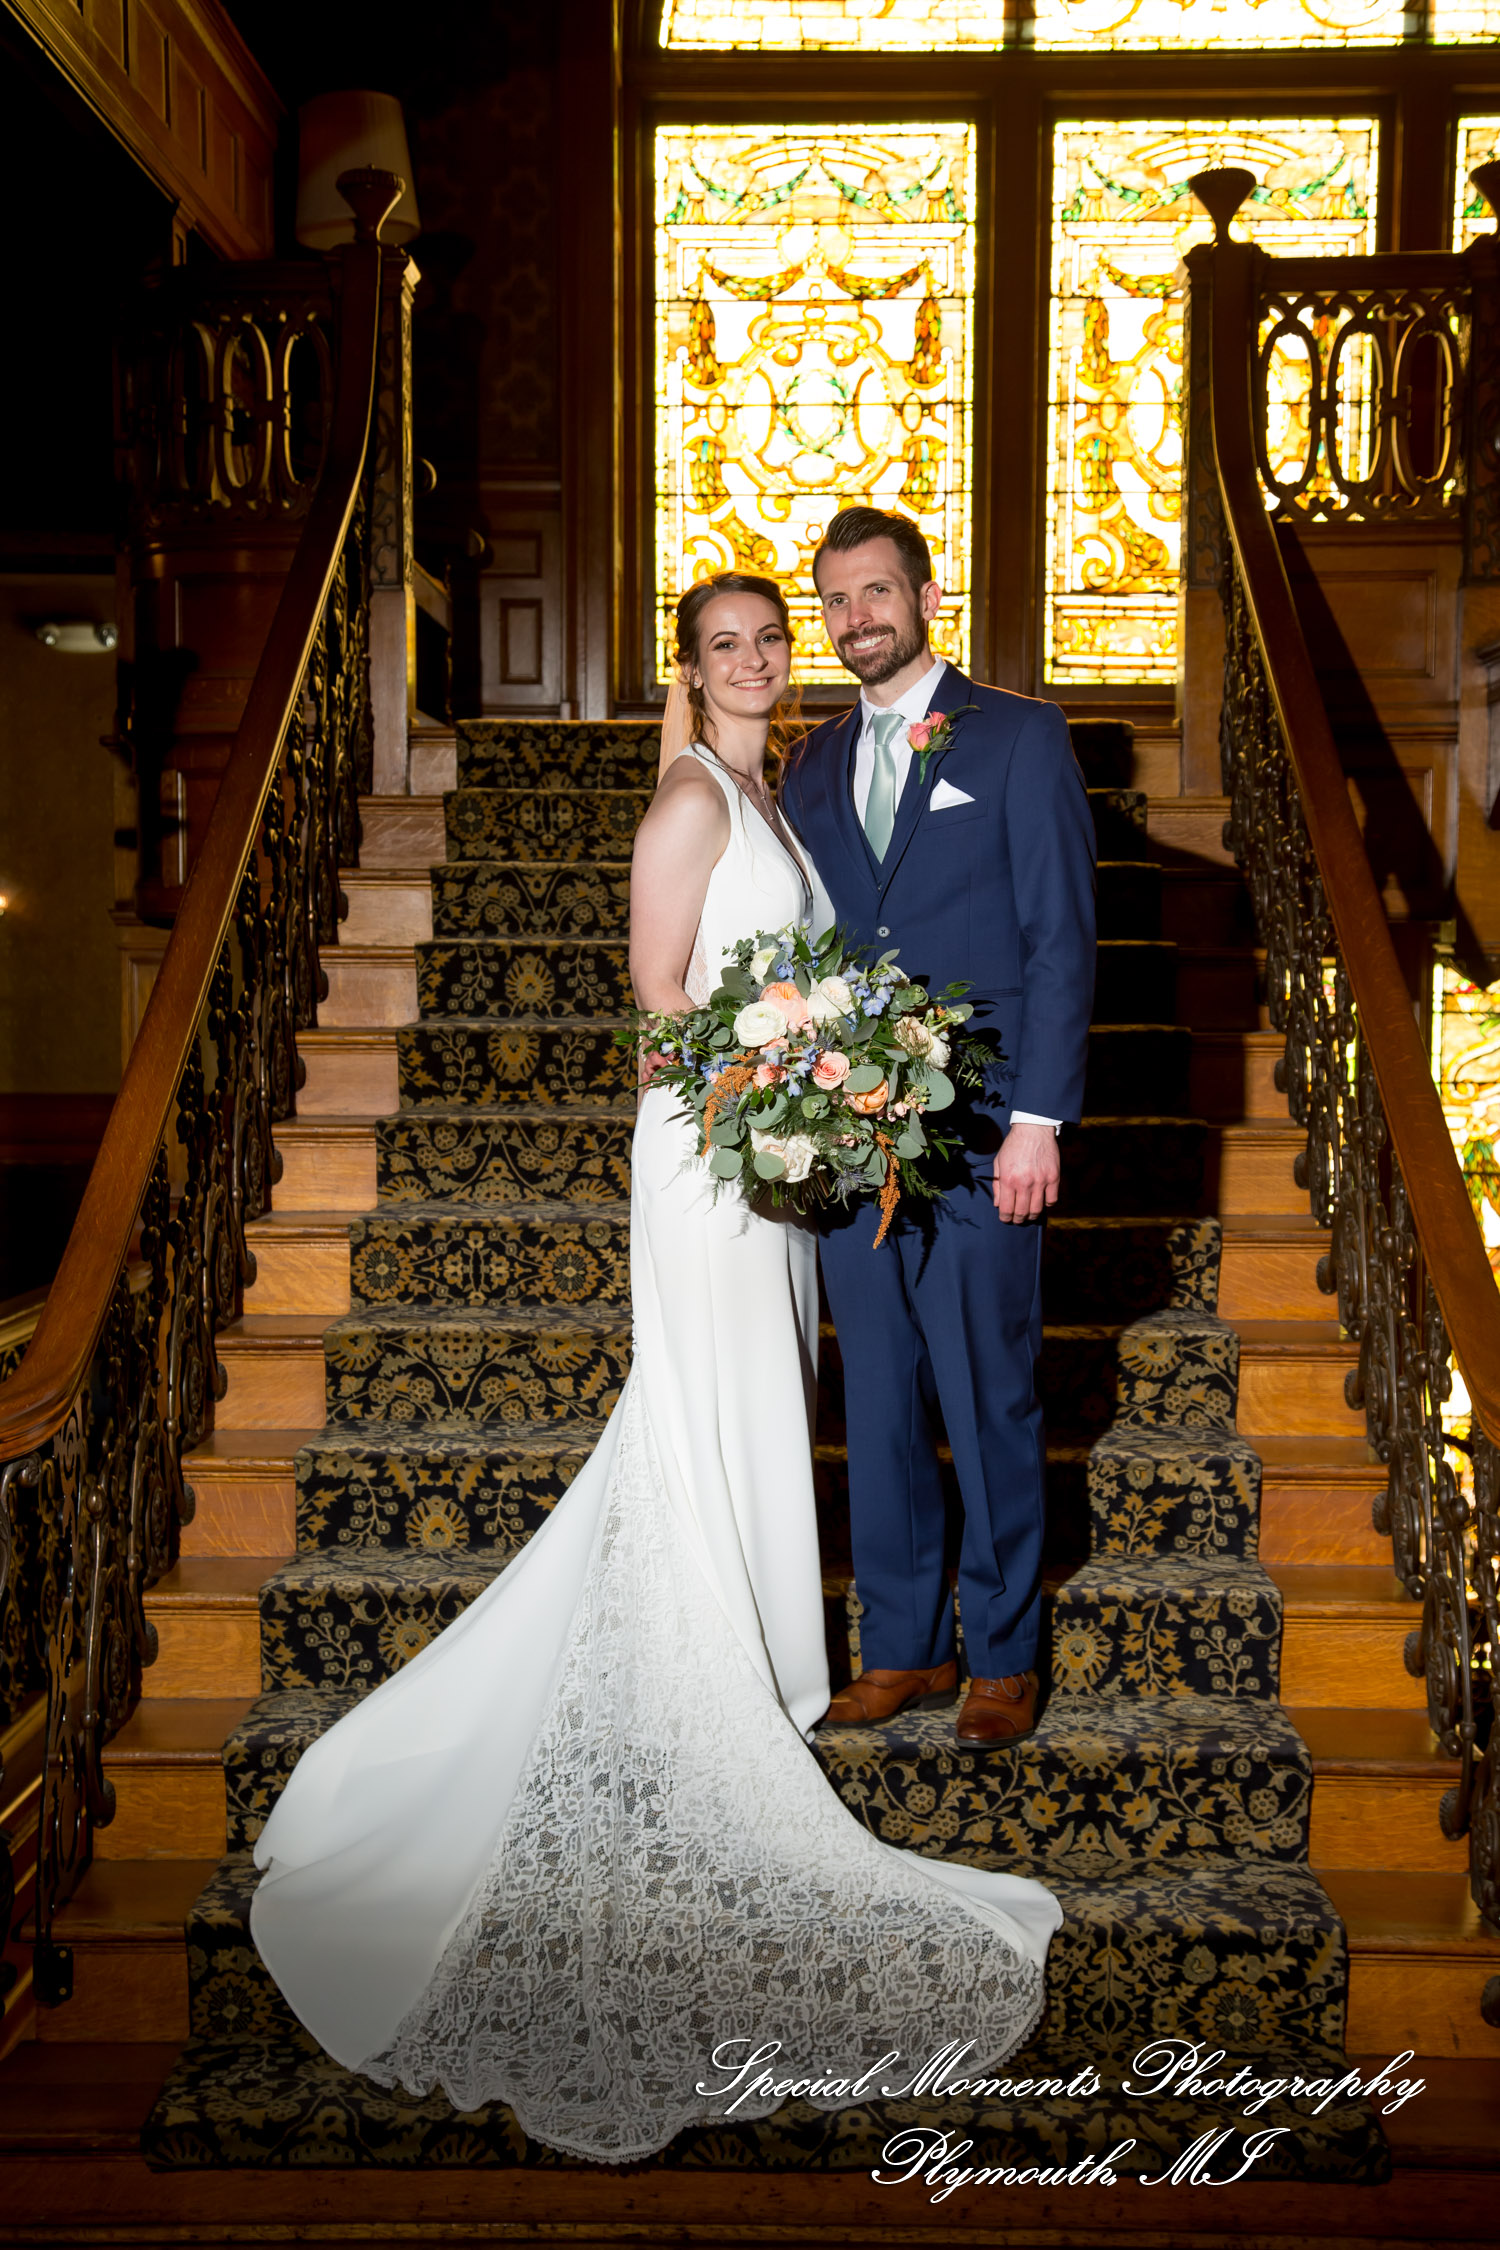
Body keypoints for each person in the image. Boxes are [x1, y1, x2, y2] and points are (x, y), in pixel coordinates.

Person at [248, 570, 1062, 2165]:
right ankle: (721, 1672)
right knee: (705, 1405)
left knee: (762, 1403)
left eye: (779, 636)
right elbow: (655, 996)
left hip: (782, 1154)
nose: (762, 657)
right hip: (713, 1159)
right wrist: (763, 1116)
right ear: (688, 672)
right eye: (732, 645)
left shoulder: (782, 788)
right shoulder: (692, 801)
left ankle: (764, 1652)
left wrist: (820, 1104)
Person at [779, 508, 1096, 1749]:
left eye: (877, 593)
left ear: (923, 594)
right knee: (880, 1398)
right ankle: (902, 1645)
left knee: (989, 1392)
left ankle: (1005, 1654)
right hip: (849, 1135)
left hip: (980, 1136)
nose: (859, 617)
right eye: (838, 601)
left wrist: (1038, 1119)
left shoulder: (1018, 738)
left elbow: (1060, 940)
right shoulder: (807, 769)